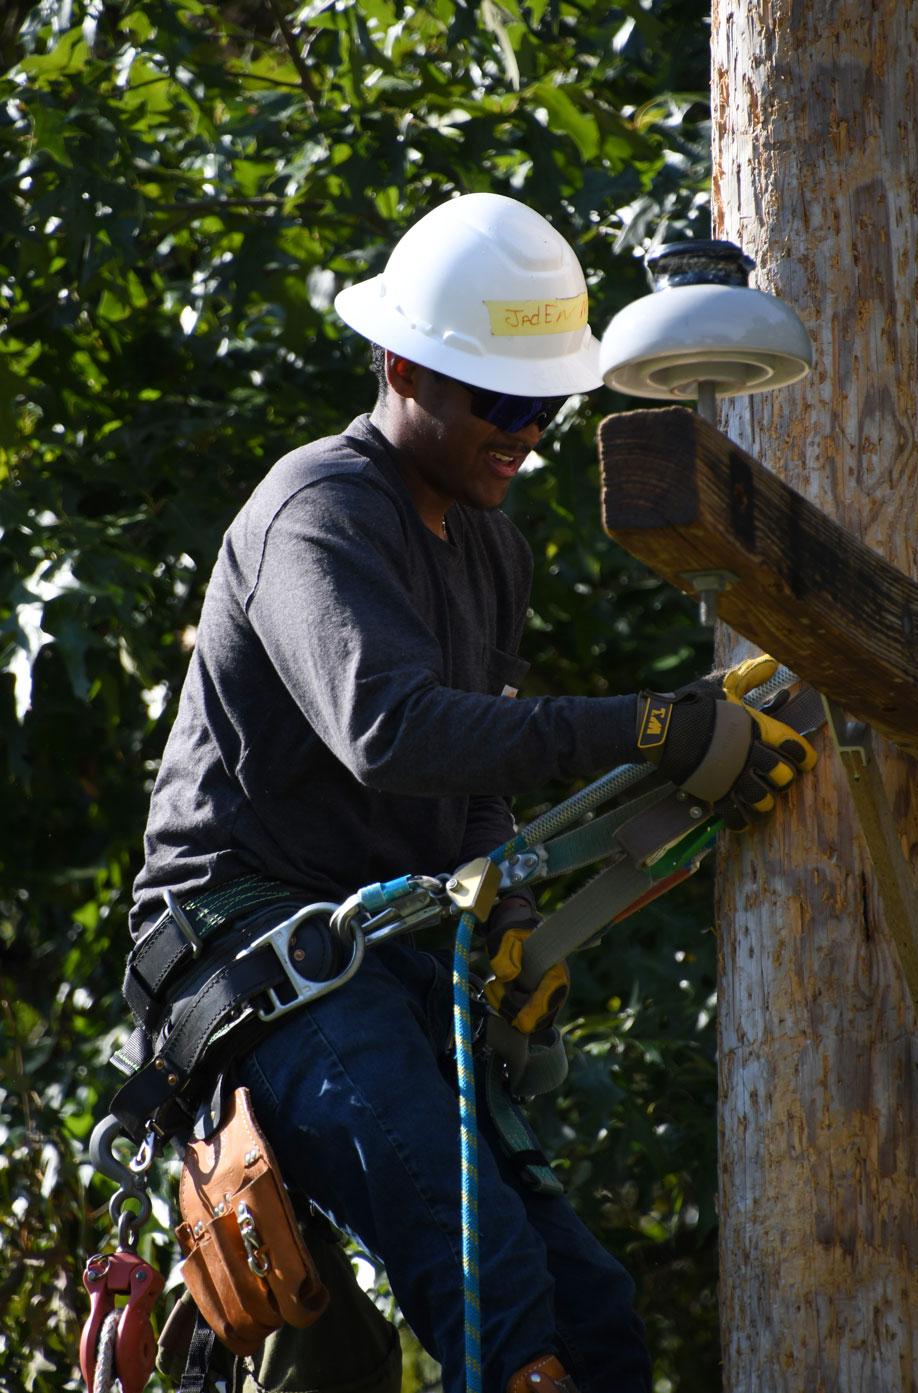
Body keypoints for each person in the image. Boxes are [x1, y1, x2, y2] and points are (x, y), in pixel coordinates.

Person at [129, 192, 816, 1393]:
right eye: (500, 403)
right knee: (496, 1295)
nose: (528, 433)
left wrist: (498, 903)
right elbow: (390, 732)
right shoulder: (319, 512)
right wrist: (652, 727)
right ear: (401, 366)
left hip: (379, 954)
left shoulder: (492, 543)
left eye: (545, 404)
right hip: (260, 957)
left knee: (593, 1318)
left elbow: (473, 778)